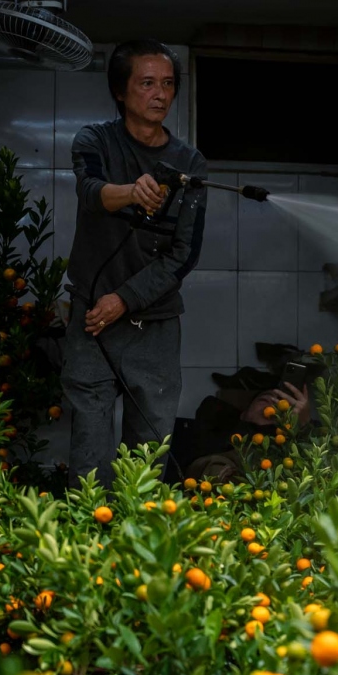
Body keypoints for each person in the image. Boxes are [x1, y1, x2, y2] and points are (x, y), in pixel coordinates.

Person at [63, 40, 208, 488]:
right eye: (146, 83)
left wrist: (124, 299)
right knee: (90, 439)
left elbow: (184, 254)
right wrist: (131, 191)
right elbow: (90, 192)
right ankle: (82, 541)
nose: (160, 94)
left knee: (149, 447)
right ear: (121, 92)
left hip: (155, 323)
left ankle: (139, 543)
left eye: (167, 84)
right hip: (91, 320)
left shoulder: (189, 163)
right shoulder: (95, 141)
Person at [181, 382, 311, 484]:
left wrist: (302, 428)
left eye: (279, 403)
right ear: (244, 414)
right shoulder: (220, 445)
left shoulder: (288, 446)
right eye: (264, 399)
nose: (273, 402)